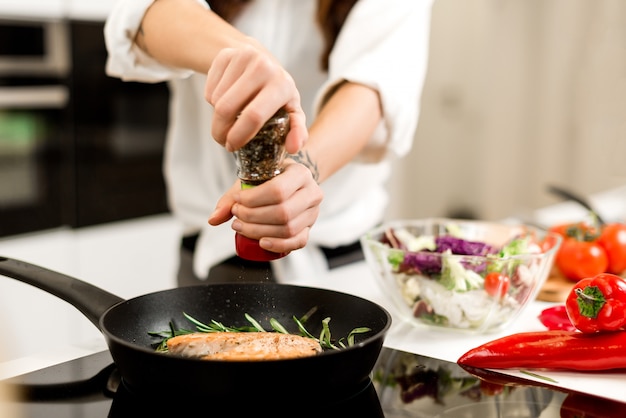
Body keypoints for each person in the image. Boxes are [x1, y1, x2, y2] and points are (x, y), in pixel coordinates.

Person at [104, 0, 433, 286]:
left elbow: (373, 88)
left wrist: (301, 170)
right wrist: (241, 54)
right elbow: (142, 15)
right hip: (211, 260)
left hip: (341, 265)